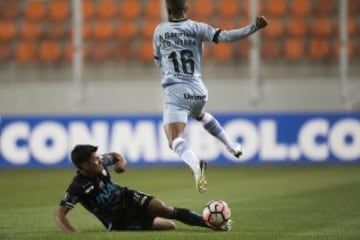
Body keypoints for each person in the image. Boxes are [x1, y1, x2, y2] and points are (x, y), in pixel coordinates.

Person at [153, 0, 268, 193]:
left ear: (168, 9)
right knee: (199, 115)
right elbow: (227, 37)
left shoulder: (159, 30)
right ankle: (232, 145)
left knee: (175, 140)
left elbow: (158, 62)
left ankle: (196, 167)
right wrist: (254, 27)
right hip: (199, 91)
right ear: (186, 8)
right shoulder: (198, 27)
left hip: (176, 91)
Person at [54, 144, 232, 232]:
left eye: (98, 157)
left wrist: (122, 164)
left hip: (127, 197)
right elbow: (60, 214)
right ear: (84, 166)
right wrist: (73, 233)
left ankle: (211, 224)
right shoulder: (77, 187)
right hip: (118, 220)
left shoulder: (99, 163)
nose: (100, 160)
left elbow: (116, 156)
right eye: (95, 159)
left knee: (164, 209)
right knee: (170, 227)